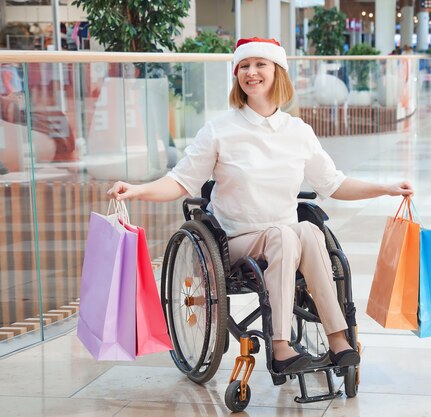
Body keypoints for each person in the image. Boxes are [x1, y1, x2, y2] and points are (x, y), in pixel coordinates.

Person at [107, 37, 414, 374]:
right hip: (234, 242)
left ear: (277, 71)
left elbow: (333, 183)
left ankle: (338, 338)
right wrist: (137, 190)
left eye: (260, 64)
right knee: (285, 235)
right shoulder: (220, 130)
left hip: (288, 241)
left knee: (309, 231)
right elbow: (181, 181)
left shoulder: (298, 131)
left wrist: (385, 188)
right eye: (244, 66)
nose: (250, 73)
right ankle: (280, 347)